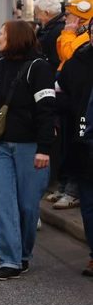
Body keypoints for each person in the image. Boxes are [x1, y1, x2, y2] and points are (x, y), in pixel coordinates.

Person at [0, 20, 56, 280]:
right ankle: (10, 260)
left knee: (27, 206)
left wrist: (44, 149)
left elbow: (47, 111)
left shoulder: (39, 68)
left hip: (31, 147)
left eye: (2, 33)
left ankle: (23, 254)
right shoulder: (0, 64)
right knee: (3, 204)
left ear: (15, 37)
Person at [48, 0, 93, 210]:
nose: (65, 19)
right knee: (68, 143)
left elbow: (67, 54)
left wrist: (67, 33)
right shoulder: (78, 36)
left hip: (82, 102)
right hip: (70, 99)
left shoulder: (81, 37)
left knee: (79, 143)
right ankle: (66, 184)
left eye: (69, 15)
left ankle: (73, 189)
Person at [56, 23, 93, 276]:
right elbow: (59, 93)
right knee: (89, 205)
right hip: (84, 142)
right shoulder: (77, 61)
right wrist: (77, 112)